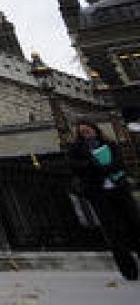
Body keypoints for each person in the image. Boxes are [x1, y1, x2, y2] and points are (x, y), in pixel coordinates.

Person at [68, 118, 140, 280]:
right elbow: (75, 167)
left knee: (134, 223)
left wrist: (101, 166)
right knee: (113, 232)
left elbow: (120, 163)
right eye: (83, 132)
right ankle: (129, 270)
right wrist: (93, 165)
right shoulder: (76, 149)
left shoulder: (110, 145)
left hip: (119, 190)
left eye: (89, 130)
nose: (87, 133)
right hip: (99, 194)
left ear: (96, 130)